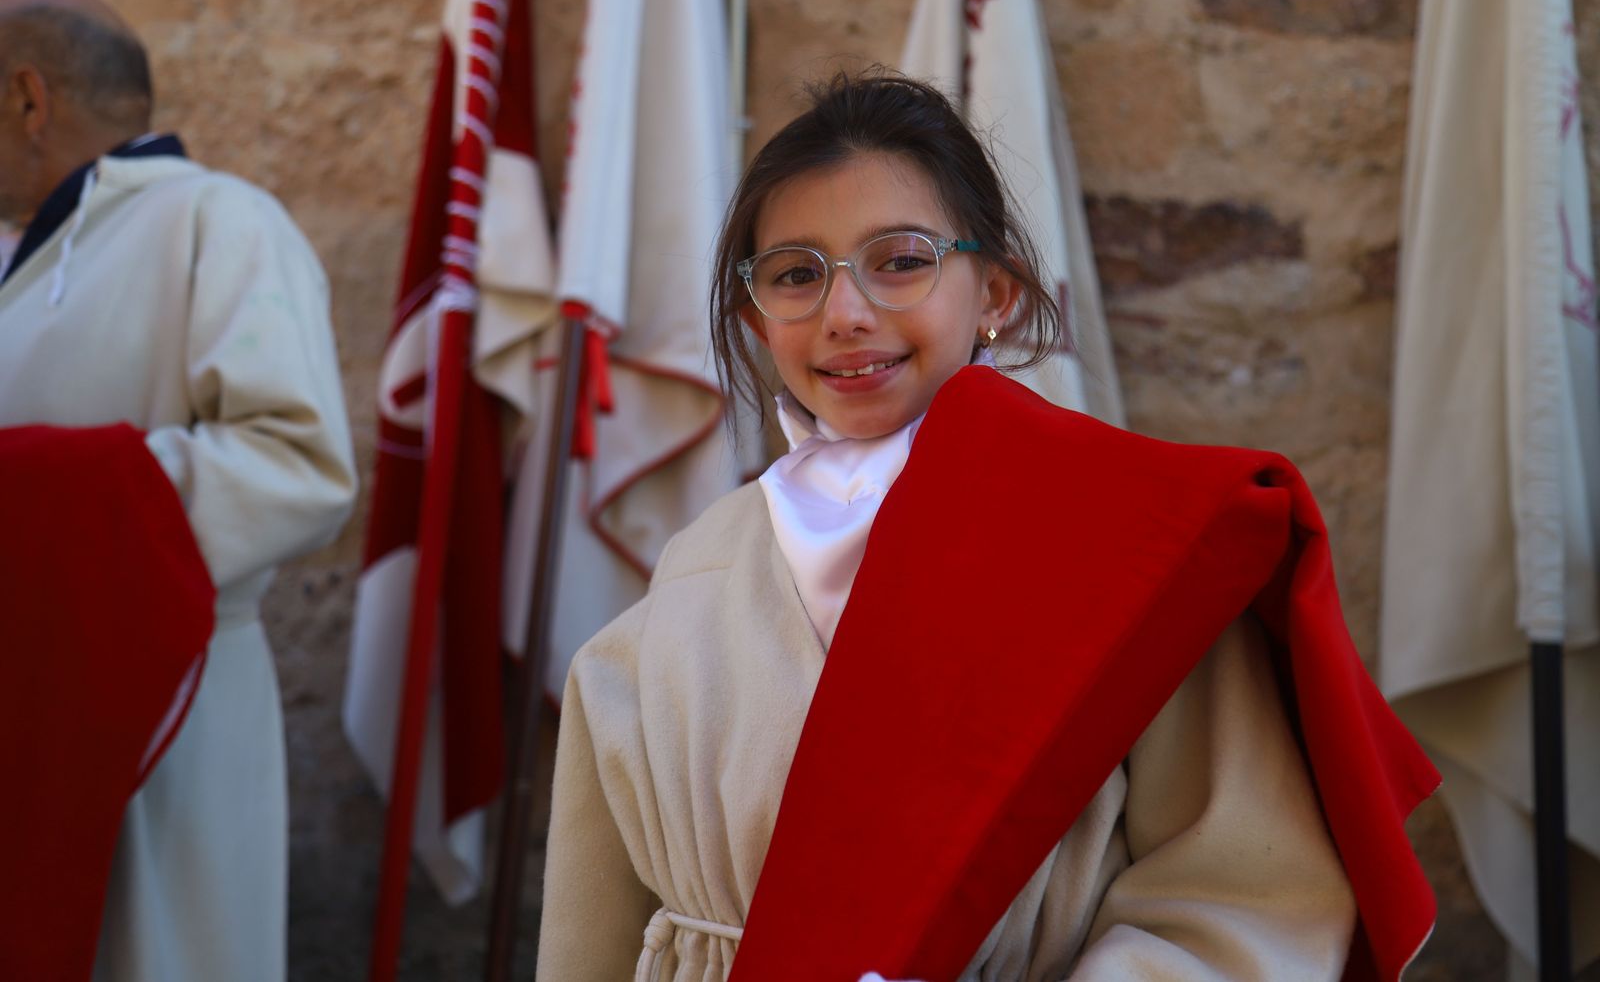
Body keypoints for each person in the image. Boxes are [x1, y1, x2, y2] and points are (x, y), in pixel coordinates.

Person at [536, 74, 1433, 981]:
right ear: (756, 318)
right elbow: (593, 938)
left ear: (996, 293)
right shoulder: (694, 571)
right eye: (797, 275)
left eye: (900, 260)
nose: (845, 313)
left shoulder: (1132, 545)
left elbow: (1243, 906)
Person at [0, 0, 356, 981]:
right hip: (20, 707)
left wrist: (43, 498)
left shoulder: (221, 221)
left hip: (160, 699)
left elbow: (300, 464)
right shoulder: (18, 256)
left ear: (29, 100)